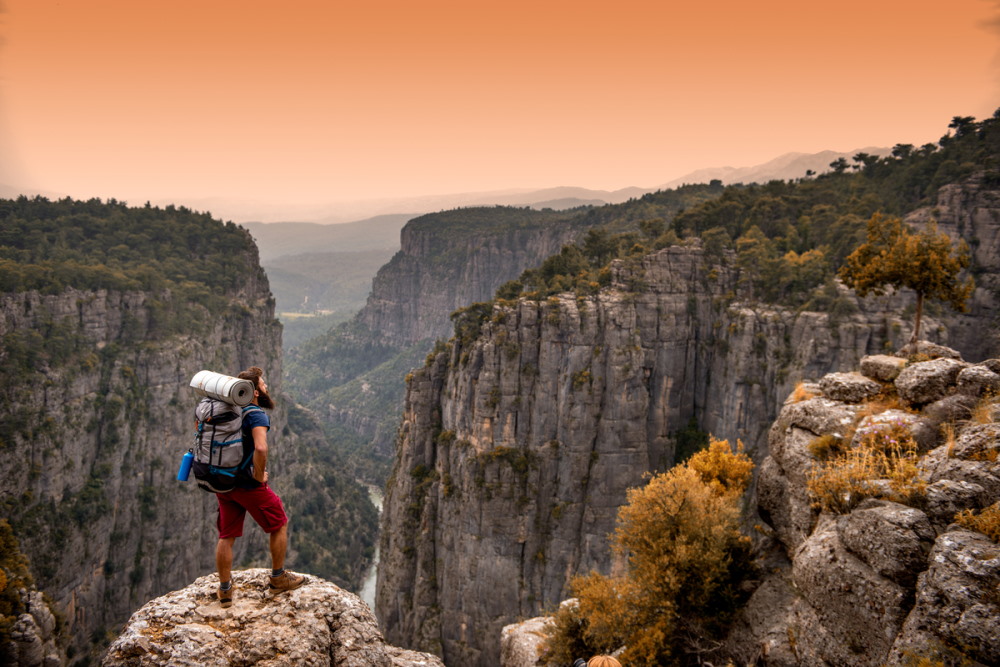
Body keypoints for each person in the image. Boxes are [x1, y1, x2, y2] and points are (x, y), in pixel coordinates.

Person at [214, 366, 304, 607]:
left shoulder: (228, 411)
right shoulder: (255, 414)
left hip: (223, 482)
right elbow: (261, 448)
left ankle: (224, 590)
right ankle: (278, 579)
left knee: (227, 535)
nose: (267, 388)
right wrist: (257, 475)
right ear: (254, 392)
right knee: (279, 523)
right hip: (246, 484)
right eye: (263, 385)